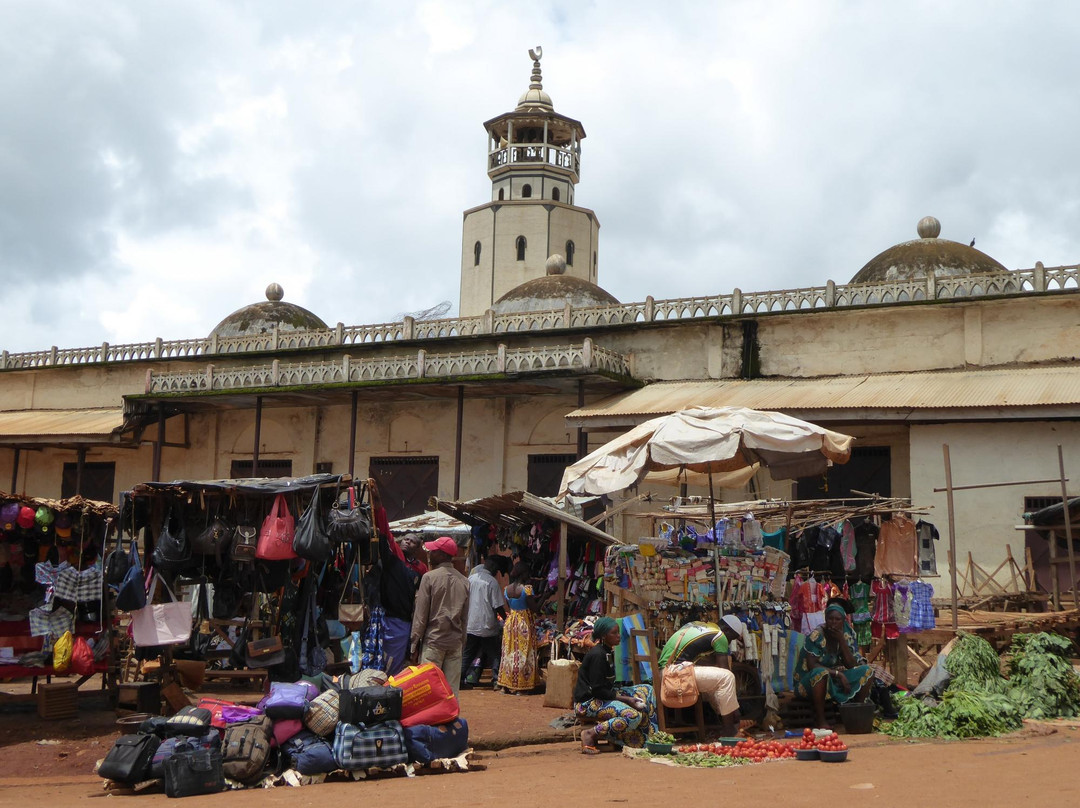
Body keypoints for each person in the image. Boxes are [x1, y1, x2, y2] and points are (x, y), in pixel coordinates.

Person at [574, 616, 657, 754]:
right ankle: (591, 734)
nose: (618, 636)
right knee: (633, 716)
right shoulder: (598, 656)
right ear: (603, 636)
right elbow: (598, 690)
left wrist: (625, 695)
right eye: (614, 633)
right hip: (587, 702)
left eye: (618, 632)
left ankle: (649, 738)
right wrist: (627, 699)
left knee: (647, 689)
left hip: (604, 694)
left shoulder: (607, 651)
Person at [657, 615, 744, 736]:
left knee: (717, 680)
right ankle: (729, 731)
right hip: (674, 675)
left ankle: (722, 721)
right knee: (727, 677)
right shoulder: (720, 635)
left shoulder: (698, 625)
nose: (729, 642)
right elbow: (724, 668)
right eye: (731, 639)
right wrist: (735, 708)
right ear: (727, 630)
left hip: (665, 671)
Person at [794, 601, 874, 728]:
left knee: (867, 671)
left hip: (832, 678)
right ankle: (821, 720)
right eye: (830, 619)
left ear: (843, 621)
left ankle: (855, 712)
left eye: (837, 619)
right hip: (809, 681)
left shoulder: (846, 635)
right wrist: (838, 675)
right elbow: (812, 665)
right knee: (820, 673)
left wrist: (841, 640)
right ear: (825, 619)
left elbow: (851, 665)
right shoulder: (817, 635)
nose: (834, 622)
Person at [409, 536, 470, 696]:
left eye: (434, 551)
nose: (430, 553)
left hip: (433, 642)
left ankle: (432, 722)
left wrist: (414, 644)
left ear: (442, 555)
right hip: (454, 643)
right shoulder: (464, 581)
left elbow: (421, 617)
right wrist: (461, 642)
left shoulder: (429, 578)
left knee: (429, 690)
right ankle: (452, 720)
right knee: (451, 692)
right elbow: (464, 618)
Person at [461, 554, 509, 689]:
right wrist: (507, 619)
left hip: (471, 624)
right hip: (487, 625)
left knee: (468, 654)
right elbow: (498, 606)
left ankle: (459, 679)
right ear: (493, 567)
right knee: (494, 654)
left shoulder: (471, 578)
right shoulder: (492, 582)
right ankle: (496, 681)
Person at [495, 562, 540, 693]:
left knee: (508, 653)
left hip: (510, 623)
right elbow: (535, 608)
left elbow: (510, 607)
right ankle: (521, 686)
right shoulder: (527, 589)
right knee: (523, 654)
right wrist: (544, 597)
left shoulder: (506, 589)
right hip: (524, 624)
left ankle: (506, 685)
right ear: (524, 574)